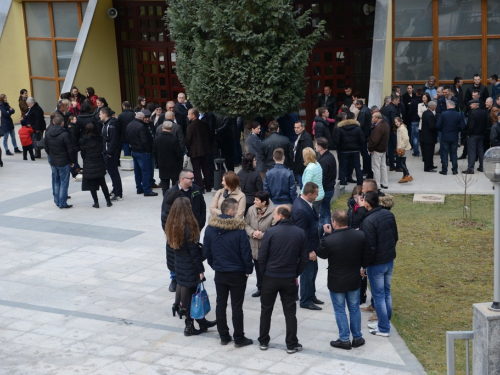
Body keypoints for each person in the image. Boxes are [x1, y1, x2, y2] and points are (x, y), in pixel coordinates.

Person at [258, 204, 309, 353]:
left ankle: (263, 341)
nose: (273, 216)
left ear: (281, 215)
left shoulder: (271, 232)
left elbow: (262, 257)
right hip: (289, 278)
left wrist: (265, 273)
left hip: (270, 277)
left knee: (266, 310)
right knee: (290, 312)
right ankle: (291, 344)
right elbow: (304, 258)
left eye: (274, 214)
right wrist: (295, 273)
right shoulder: (300, 233)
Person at [203, 198, 254, 347]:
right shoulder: (238, 229)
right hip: (237, 273)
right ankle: (239, 338)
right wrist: (248, 269)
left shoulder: (210, 228)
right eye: (237, 209)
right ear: (231, 211)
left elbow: (207, 251)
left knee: (221, 304)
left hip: (220, 272)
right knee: (237, 306)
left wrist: (215, 265)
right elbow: (246, 252)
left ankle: (224, 336)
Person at [318, 209, 369, 350]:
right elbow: (366, 253)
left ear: (334, 222)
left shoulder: (329, 240)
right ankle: (357, 337)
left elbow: (321, 254)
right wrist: (363, 267)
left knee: (340, 309)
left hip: (337, 280)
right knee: (354, 309)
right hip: (354, 278)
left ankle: (344, 339)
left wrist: (324, 235)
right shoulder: (360, 235)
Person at [165, 198, 207, 336]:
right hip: (189, 264)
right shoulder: (188, 227)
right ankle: (189, 326)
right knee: (191, 295)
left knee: (184, 289)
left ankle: (197, 321)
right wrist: (201, 270)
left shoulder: (171, 224)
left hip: (179, 262)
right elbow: (194, 252)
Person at [360, 191, 398, 337]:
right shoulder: (388, 214)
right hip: (389, 260)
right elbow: (395, 237)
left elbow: (368, 247)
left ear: (368, 204)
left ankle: (383, 328)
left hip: (377, 264)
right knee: (386, 292)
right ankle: (384, 321)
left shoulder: (369, 221)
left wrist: (364, 266)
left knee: (379, 295)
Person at [162, 169, 207, 293]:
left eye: (193, 178)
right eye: (190, 178)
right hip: (175, 232)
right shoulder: (171, 193)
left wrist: (200, 225)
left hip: (193, 230)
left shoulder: (196, 190)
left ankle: (191, 275)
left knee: (192, 253)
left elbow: (202, 207)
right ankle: (174, 279)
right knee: (174, 255)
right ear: (182, 179)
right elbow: (165, 214)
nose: (193, 180)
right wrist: (170, 231)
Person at [292, 182, 322, 311]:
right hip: (307, 248)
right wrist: (309, 251)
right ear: (309, 194)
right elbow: (301, 233)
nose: (317, 196)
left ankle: (311, 295)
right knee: (307, 273)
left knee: (313, 271)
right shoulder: (300, 209)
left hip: (313, 244)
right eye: (316, 194)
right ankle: (305, 300)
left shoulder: (306, 203)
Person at [244, 191, 275, 298]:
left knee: (267, 268)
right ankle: (260, 287)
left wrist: (262, 235)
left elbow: (275, 230)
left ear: (264, 202)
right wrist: (253, 233)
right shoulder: (251, 209)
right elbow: (246, 224)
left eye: (257, 200)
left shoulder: (274, 211)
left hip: (266, 245)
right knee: (258, 267)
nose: (254, 202)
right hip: (253, 243)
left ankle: (269, 288)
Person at [45, 115, 75, 209]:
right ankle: (62, 203)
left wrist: (51, 155)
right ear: (62, 123)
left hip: (53, 161)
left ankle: (57, 200)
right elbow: (70, 149)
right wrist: (72, 160)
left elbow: (46, 147)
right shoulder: (64, 134)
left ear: (54, 122)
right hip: (63, 161)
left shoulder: (48, 133)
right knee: (64, 182)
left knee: (55, 181)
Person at [79, 123, 112, 208]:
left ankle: (96, 202)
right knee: (103, 183)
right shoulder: (99, 139)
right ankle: (108, 201)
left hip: (88, 163)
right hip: (99, 162)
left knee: (92, 185)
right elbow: (103, 149)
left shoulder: (83, 141)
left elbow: (83, 154)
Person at [126, 112, 157, 196]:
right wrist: (148, 150)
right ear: (142, 118)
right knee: (145, 171)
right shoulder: (141, 126)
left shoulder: (129, 125)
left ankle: (139, 188)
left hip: (134, 150)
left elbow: (127, 137)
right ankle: (147, 190)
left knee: (137, 171)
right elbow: (144, 140)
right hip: (142, 152)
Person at [186, 108, 213, 193]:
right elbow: (210, 136)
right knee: (206, 168)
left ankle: (201, 187)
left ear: (193, 115)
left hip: (195, 152)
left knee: (197, 170)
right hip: (205, 150)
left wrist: (188, 148)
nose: (187, 116)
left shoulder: (190, 126)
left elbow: (188, 140)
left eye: (189, 114)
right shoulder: (205, 124)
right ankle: (208, 186)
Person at [153, 121, 184, 196]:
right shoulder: (174, 140)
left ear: (163, 128)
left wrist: (157, 162)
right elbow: (178, 153)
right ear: (172, 129)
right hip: (174, 164)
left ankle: (166, 199)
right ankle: (174, 199)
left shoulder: (156, 139)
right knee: (175, 184)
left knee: (165, 184)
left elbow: (154, 153)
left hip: (162, 164)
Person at [436, 100, 466, 175]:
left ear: (447, 106)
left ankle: (444, 170)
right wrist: (457, 130)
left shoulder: (443, 114)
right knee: (454, 153)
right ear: (454, 106)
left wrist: (442, 130)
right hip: (454, 136)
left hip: (445, 136)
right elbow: (462, 126)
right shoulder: (458, 115)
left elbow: (437, 125)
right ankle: (455, 170)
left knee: (445, 153)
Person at [335, 112, 365, 186]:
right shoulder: (358, 128)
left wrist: (340, 147)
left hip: (344, 151)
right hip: (355, 150)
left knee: (343, 167)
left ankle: (342, 183)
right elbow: (363, 140)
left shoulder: (340, 128)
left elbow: (337, 141)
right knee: (357, 167)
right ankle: (360, 183)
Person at [100, 107, 123, 200]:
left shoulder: (111, 125)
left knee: (114, 173)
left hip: (111, 153)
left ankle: (118, 193)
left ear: (105, 115)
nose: (99, 115)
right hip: (107, 152)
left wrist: (109, 152)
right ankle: (115, 190)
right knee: (112, 173)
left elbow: (114, 140)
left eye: (100, 114)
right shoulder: (106, 124)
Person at [316, 137, 337, 226]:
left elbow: (322, 178)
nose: (315, 147)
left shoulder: (323, 161)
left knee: (324, 213)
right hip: (330, 187)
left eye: (316, 145)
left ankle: (325, 230)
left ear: (320, 147)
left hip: (325, 189)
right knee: (326, 211)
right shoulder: (330, 156)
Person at [463, 99, 488, 174]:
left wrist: (468, 133)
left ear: (475, 105)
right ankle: (482, 167)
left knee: (472, 152)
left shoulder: (472, 113)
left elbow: (471, 126)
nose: (470, 105)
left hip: (473, 135)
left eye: (471, 104)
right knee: (481, 151)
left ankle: (470, 169)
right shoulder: (484, 112)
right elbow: (485, 123)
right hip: (481, 135)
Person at [368, 112, 390, 189]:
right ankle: (385, 183)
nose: (372, 119)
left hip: (377, 150)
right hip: (383, 149)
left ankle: (377, 185)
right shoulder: (386, 124)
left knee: (376, 168)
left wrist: (370, 148)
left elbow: (374, 140)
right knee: (383, 166)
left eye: (372, 117)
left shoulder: (378, 127)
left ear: (377, 118)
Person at [381, 93, 402, 172]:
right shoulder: (393, 109)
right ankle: (398, 165)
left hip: (387, 130)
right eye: (398, 100)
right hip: (393, 131)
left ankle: (391, 165)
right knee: (397, 147)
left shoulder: (385, 108)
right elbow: (394, 120)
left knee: (389, 148)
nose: (399, 102)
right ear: (395, 100)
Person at [301, 147, 324, 214]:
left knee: (312, 217)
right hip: (319, 194)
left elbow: (306, 185)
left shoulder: (310, 169)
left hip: (313, 196)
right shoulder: (317, 164)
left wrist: (301, 196)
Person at [420, 101, 438, 172]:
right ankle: (427, 167)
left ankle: (430, 164)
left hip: (425, 136)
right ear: (432, 107)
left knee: (430, 152)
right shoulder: (430, 115)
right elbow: (432, 126)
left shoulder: (425, 113)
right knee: (428, 153)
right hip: (429, 137)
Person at [394, 117, 412, 183]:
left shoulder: (402, 129)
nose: (396, 123)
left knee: (401, 162)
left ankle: (408, 175)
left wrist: (401, 147)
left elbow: (406, 138)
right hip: (403, 148)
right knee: (403, 162)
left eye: (397, 121)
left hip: (404, 148)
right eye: (395, 122)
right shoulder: (400, 128)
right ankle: (405, 176)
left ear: (400, 121)